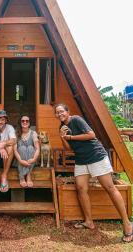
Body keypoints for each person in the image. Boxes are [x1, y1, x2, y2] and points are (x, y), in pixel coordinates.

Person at [55, 103, 133, 243]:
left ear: (68, 111)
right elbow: (68, 149)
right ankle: (89, 221)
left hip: (96, 156)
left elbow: (91, 135)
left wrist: (71, 137)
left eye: (61, 111)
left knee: (109, 187)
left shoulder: (76, 120)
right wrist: (62, 137)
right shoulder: (62, 128)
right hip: (81, 160)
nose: (59, 114)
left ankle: (127, 224)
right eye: (57, 113)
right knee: (80, 188)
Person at [14, 115, 40, 187]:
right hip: (19, 160)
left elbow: (37, 148)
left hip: (31, 159)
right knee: (22, 148)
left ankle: (28, 175)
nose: (25, 122)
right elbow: (15, 150)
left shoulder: (33, 133)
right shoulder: (16, 133)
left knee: (31, 148)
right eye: (23, 121)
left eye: (27, 121)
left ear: (29, 123)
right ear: (20, 122)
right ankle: (21, 177)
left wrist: (34, 159)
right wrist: (21, 160)